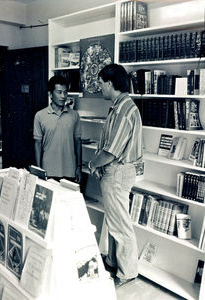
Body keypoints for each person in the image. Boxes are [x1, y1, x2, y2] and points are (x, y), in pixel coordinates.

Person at [87, 64, 143, 287]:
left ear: (110, 84)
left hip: (118, 173)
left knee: (120, 224)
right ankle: (113, 261)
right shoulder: (119, 107)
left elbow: (111, 151)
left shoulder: (124, 110)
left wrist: (92, 163)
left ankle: (127, 272)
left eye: (100, 83)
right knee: (114, 221)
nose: (99, 87)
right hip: (117, 172)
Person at [33, 75, 82, 183]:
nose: (63, 96)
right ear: (50, 94)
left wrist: (79, 167)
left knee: (68, 200)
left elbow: (78, 142)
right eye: (59, 92)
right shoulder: (40, 115)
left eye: (65, 92)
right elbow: (37, 144)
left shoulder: (74, 115)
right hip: (48, 170)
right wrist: (39, 170)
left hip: (70, 170)